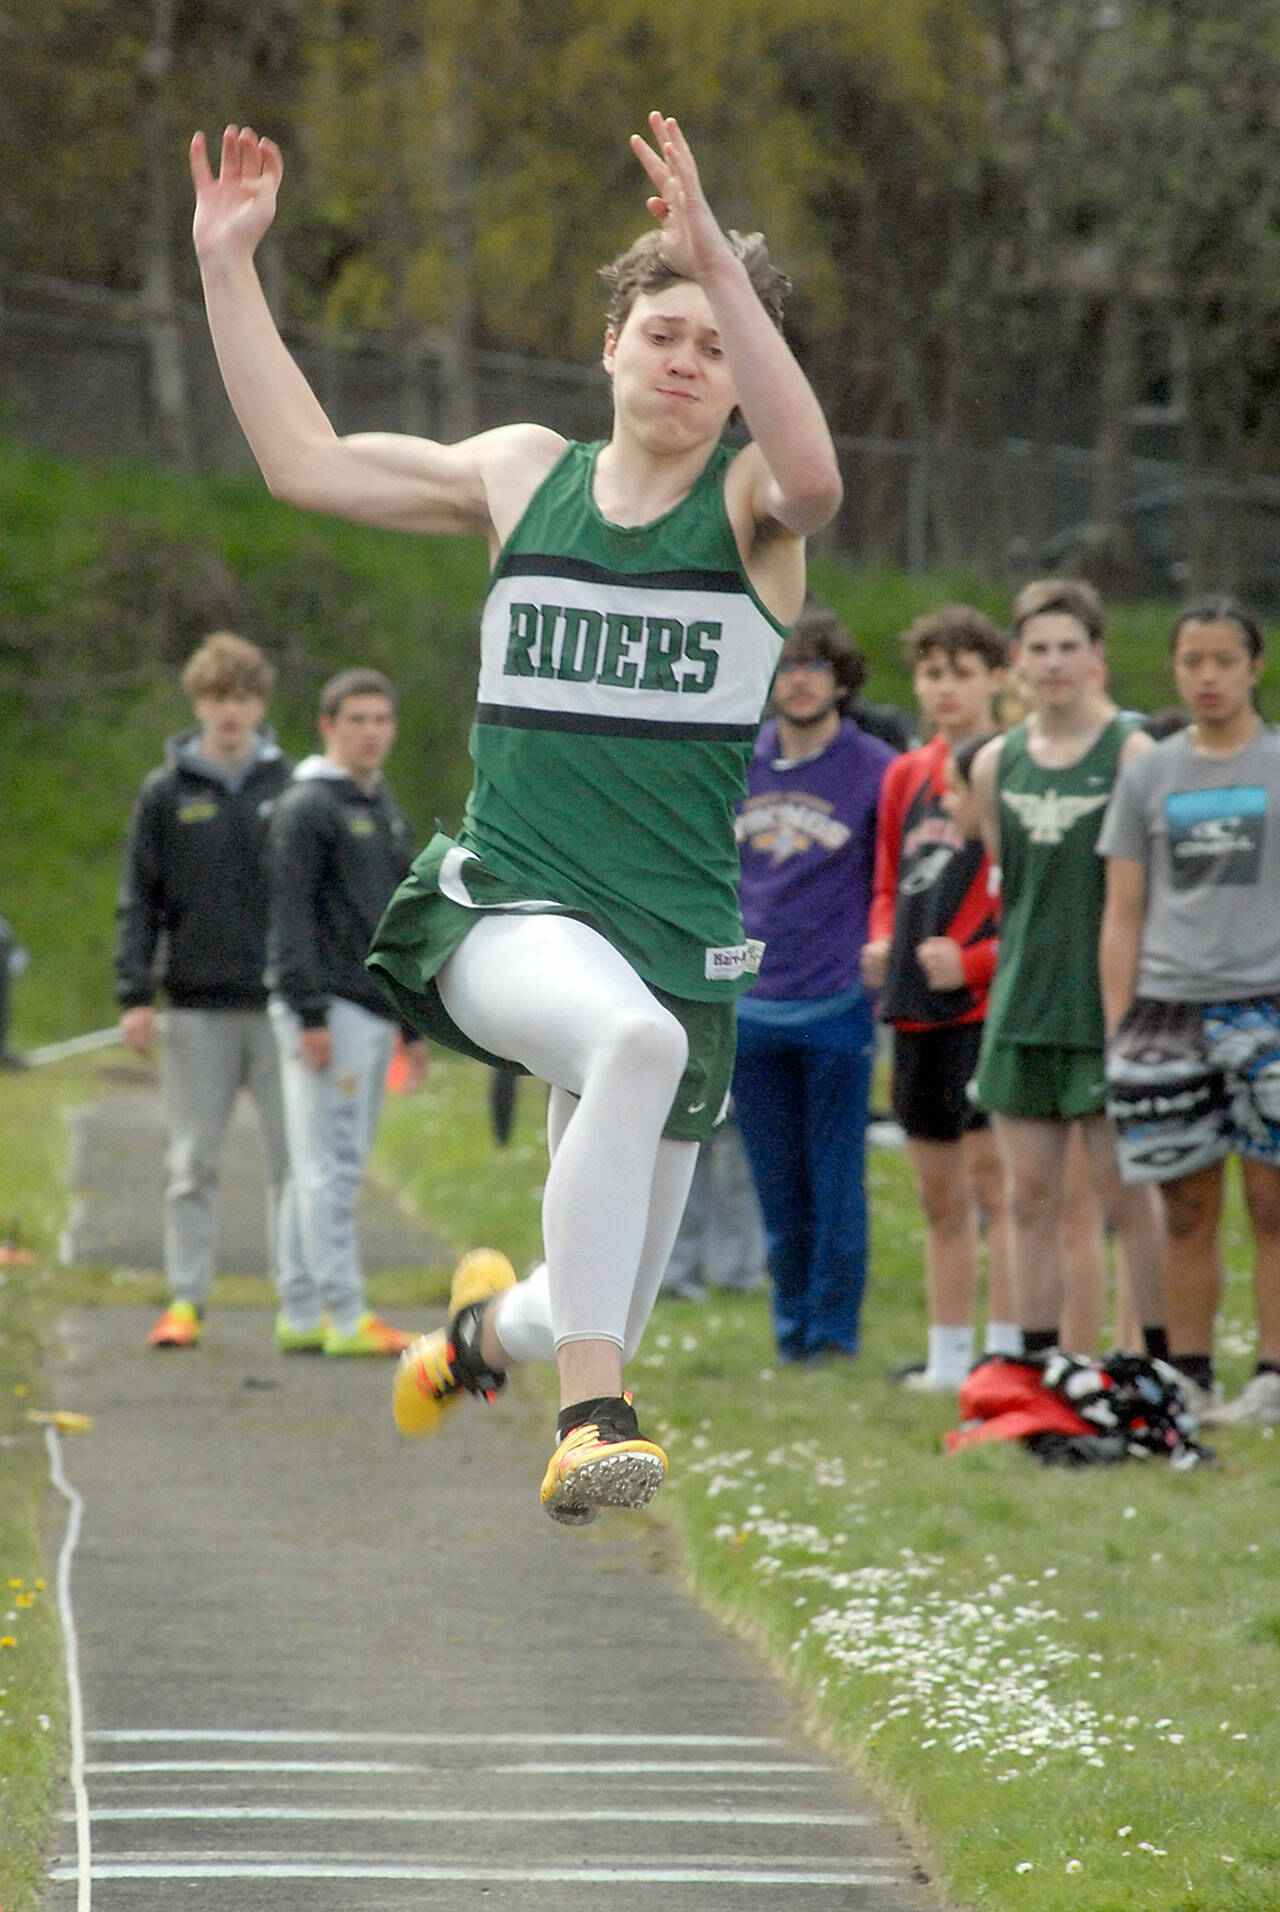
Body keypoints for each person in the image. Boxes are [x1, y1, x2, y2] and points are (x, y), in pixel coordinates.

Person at [190, 113, 842, 1521]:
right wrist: (228, 264)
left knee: (588, 1280)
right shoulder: (520, 472)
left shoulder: (752, 512)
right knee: (628, 1042)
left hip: (677, 939)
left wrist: (724, 266)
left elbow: (819, 478)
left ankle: (479, 1337)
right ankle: (589, 1415)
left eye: (718, 344)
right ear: (609, 343)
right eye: (664, 330)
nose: (689, 360)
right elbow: (303, 462)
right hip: (510, 906)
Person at [968, 578, 1167, 1365]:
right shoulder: (994, 763)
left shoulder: (1133, 751)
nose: (1053, 664)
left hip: (1111, 1012)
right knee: (1027, 1198)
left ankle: (1161, 1365)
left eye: (1068, 648)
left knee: (1126, 1197)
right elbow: (1008, 885)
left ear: (1096, 658)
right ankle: (1041, 1370)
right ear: (1018, 661)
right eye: (1039, 649)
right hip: (1022, 1006)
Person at [1100, 597, 1280, 1425]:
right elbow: (1124, 911)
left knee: (1271, 1201)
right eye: (1191, 662)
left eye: (1223, 661)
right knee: (1185, 1206)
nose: (1206, 677)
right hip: (1168, 1013)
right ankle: (1191, 1375)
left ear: (1254, 667)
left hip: (1267, 1007)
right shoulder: (1150, 773)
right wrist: (1119, 1025)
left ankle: (1272, 1377)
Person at [114, 630, 295, 1348]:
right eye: (220, 697)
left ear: (261, 704)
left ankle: (298, 1299)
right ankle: (186, 1299)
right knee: (192, 1163)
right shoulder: (164, 793)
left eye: (245, 697)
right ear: (200, 702)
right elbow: (140, 897)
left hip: (282, 1006)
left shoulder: (291, 787)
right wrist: (134, 994)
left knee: (292, 1164)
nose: (232, 711)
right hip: (193, 1005)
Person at [731, 599, 894, 1362]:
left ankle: (833, 1337)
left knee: (836, 1183)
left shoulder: (877, 770)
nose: (798, 681)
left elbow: (893, 875)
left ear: (840, 679)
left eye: (813, 666)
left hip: (835, 1000)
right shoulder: (741, 760)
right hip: (753, 1004)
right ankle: (791, 1329)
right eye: (786, 665)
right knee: (776, 1186)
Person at [862, 605, 1017, 1388]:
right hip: (916, 1004)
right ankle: (950, 1356)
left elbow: (1027, 902)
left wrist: (978, 962)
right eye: (931, 674)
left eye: (961, 673)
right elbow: (889, 879)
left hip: (986, 1008)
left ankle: (1009, 1350)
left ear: (997, 677)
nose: (944, 689)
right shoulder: (904, 776)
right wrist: (884, 937)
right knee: (938, 1195)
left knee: (999, 1189)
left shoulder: (1012, 764)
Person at [267, 668, 427, 1355]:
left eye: (381, 719)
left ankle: (300, 1313)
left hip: (373, 1007)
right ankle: (344, 1313)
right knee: (328, 1165)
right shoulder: (308, 807)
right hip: (327, 1009)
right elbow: (289, 915)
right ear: (328, 725)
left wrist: (412, 1023)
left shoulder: (383, 806)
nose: (371, 732)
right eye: (356, 719)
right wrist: (309, 1013)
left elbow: (400, 917)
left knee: (326, 1163)